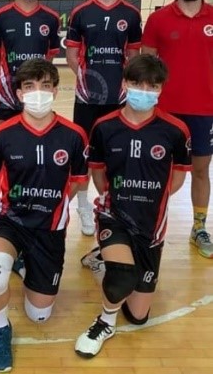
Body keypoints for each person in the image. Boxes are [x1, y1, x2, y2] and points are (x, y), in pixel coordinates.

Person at [74, 54, 191, 358]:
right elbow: (98, 174)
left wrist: (152, 198)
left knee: (138, 315)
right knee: (122, 279)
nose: (145, 91)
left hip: (151, 224)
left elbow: (178, 176)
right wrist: (117, 198)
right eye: (138, 84)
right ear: (125, 83)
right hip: (114, 214)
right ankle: (105, 322)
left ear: (161, 88)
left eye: (153, 86)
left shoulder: (176, 129)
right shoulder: (104, 126)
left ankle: (106, 257)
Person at [0, 58, 89, 372]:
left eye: (45, 85)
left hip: (49, 228)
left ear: (55, 90)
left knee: (39, 315)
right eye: (29, 86)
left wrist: (51, 205)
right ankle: (0, 330)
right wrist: (10, 204)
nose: (37, 92)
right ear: (18, 93)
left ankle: (23, 263)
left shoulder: (74, 135)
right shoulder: (1, 135)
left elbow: (78, 182)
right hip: (10, 221)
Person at [65, 0, 142, 236]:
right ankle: (84, 207)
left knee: (115, 153)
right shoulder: (81, 12)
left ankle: (111, 203)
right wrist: (88, 80)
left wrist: (124, 85)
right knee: (85, 153)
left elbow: (133, 56)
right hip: (87, 98)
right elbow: (72, 55)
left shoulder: (131, 14)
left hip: (119, 98)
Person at [142, 0, 213, 259]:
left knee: (201, 170)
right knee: (156, 169)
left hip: (205, 110)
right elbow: (146, 66)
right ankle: (147, 223)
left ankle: (199, 227)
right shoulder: (158, 19)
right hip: (165, 111)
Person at [0, 0, 60, 124]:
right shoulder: (0, 17)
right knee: (3, 136)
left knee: (38, 134)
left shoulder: (51, 18)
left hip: (38, 93)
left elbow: (49, 57)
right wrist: (8, 78)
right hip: (7, 94)